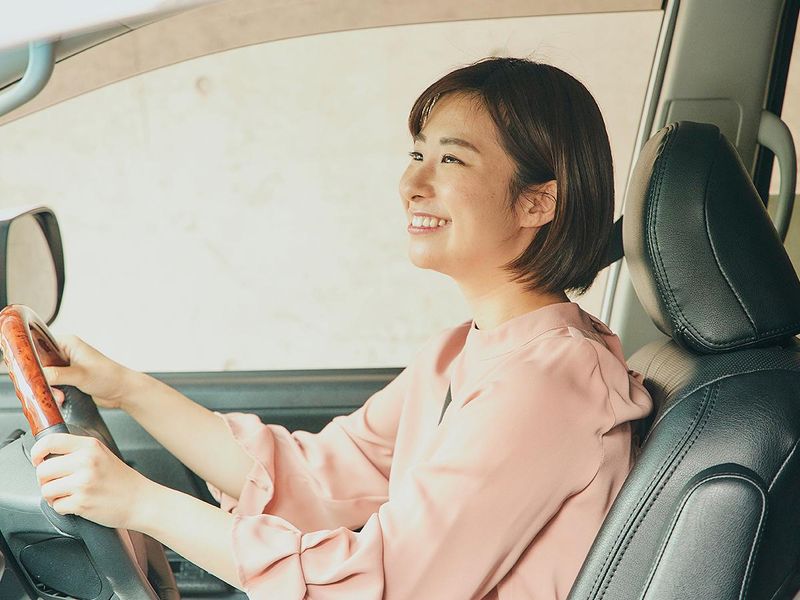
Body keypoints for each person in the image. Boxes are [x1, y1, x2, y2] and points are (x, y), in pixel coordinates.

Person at [31, 57, 653, 599]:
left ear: (537, 202)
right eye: (416, 155)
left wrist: (141, 503)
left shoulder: (551, 383)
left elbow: (389, 582)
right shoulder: (460, 353)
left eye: (450, 159)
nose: (412, 184)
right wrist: (124, 388)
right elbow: (313, 476)